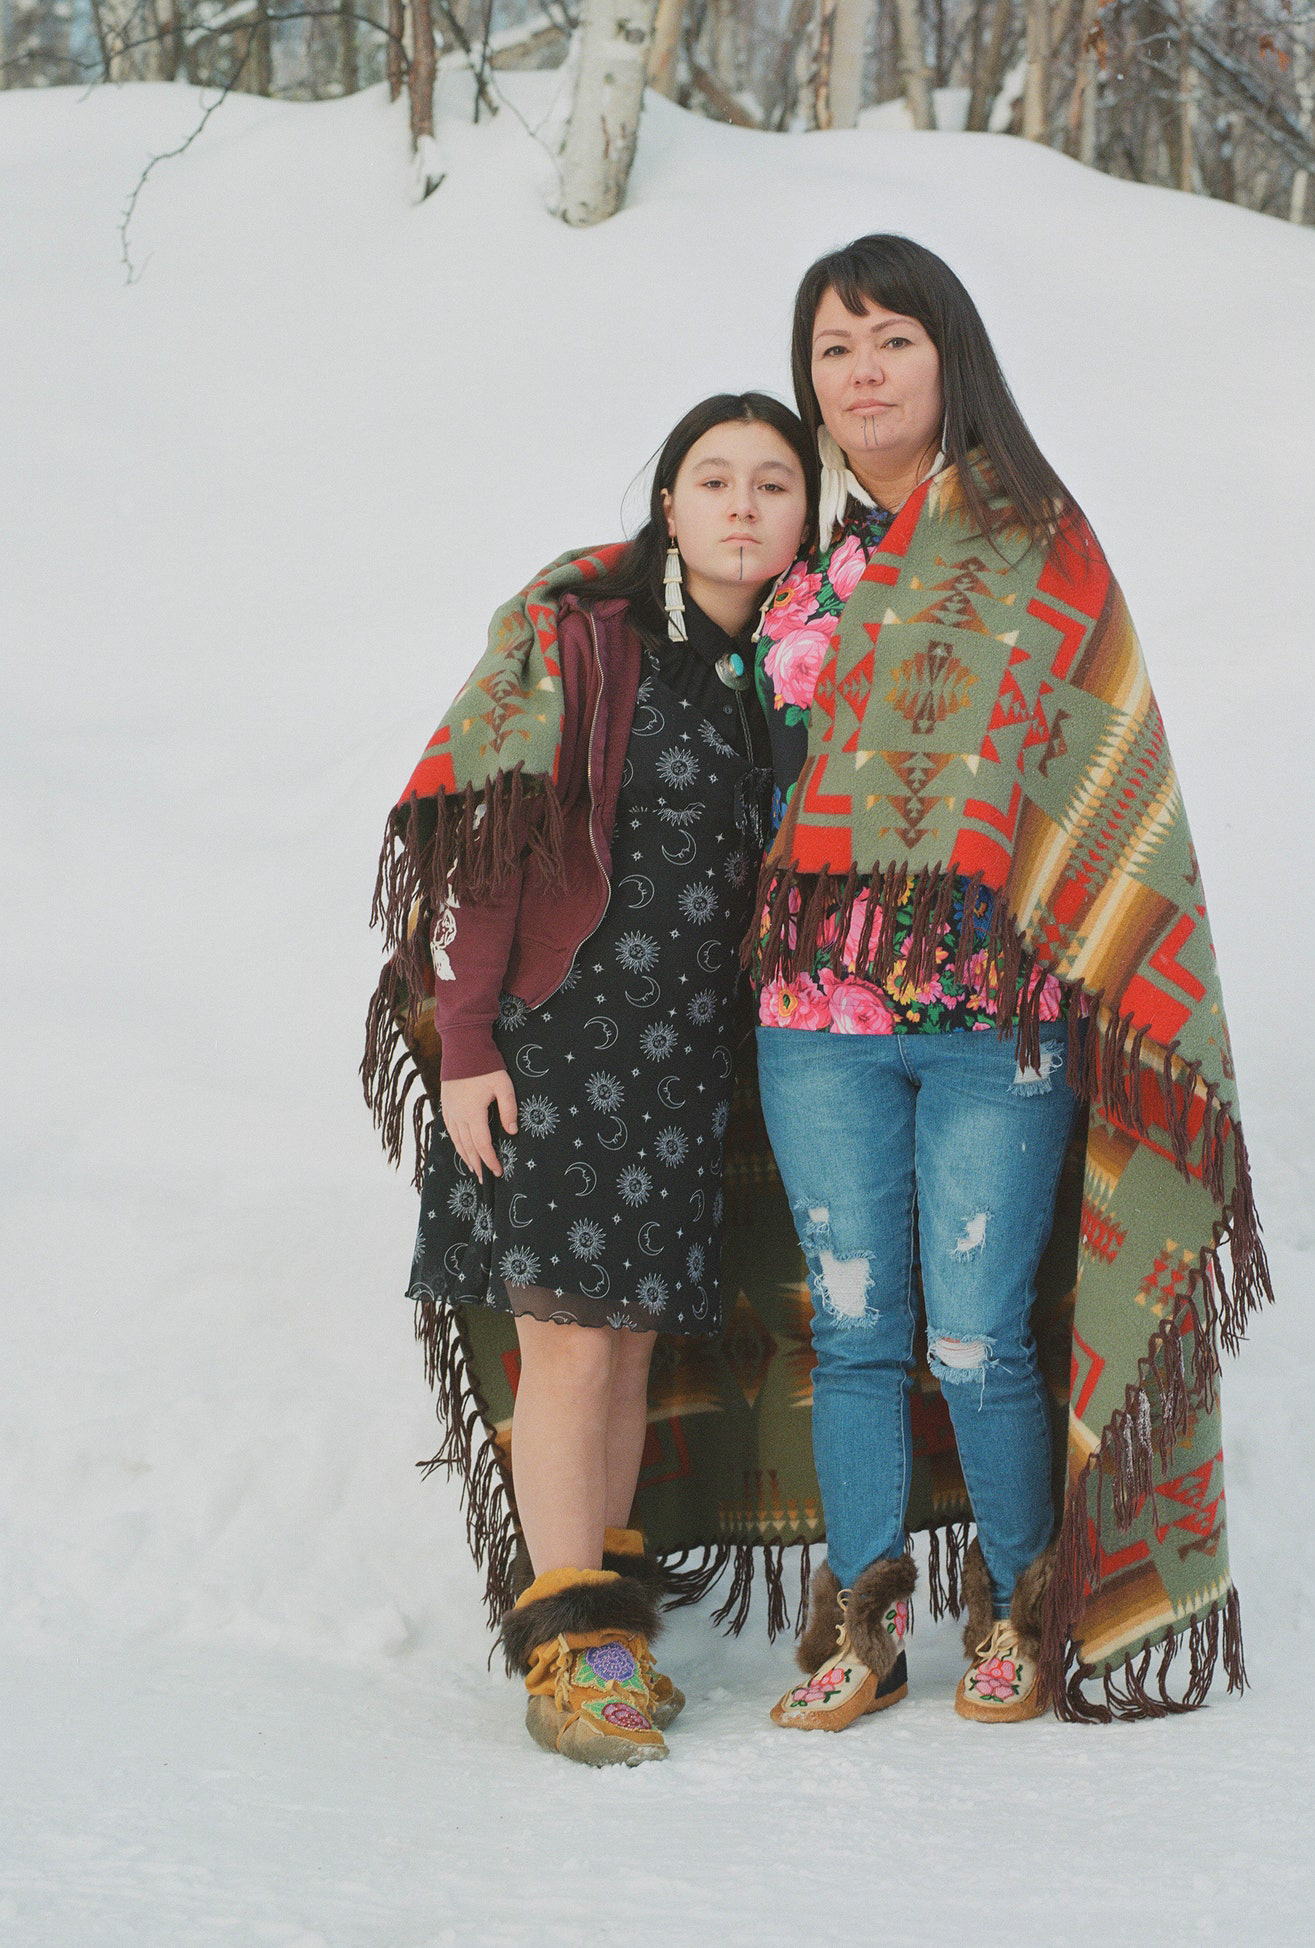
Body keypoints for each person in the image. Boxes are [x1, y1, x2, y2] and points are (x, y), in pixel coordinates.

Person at [747, 236, 1269, 1731]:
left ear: (950, 356)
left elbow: (1099, 765)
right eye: (834, 349)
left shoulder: (1039, 537)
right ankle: (860, 1622)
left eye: (891, 340)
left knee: (977, 1336)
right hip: (814, 1020)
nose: (861, 374)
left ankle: (1020, 1605)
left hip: (993, 1018)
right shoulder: (799, 556)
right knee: (850, 1328)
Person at [366, 393, 814, 1765]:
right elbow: (491, 842)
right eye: (713, 479)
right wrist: (467, 1041)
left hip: (680, 1069)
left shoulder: (792, 670)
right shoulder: (588, 644)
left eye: (776, 484)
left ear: (809, 519)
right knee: (567, 1348)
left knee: (624, 1353)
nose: (744, 505)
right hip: (561, 1047)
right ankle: (575, 1655)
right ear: (667, 506)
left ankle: (606, 1620)